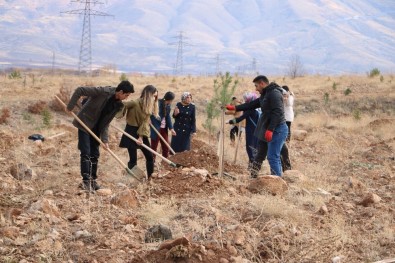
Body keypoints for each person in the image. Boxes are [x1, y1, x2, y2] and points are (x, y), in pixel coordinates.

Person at [66, 80, 134, 191]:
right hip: (85, 124)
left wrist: (105, 140)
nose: (126, 98)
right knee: (86, 152)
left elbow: (106, 123)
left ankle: (93, 180)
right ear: (120, 92)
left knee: (95, 155)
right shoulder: (103, 91)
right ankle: (86, 181)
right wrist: (70, 106)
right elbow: (80, 90)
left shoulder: (117, 105)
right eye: (126, 95)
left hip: (97, 129)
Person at [226, 75, 288, 177]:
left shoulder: (274, 94)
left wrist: (270, 129)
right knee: (260, 154)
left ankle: (277, 182)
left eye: (256, 86)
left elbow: (278, 113)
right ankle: (253, 176)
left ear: (262, 84)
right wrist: (234, 108)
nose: (256, 89)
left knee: (273, 156)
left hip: (277, 129)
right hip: (267, 129)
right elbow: (251, 105)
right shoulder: (265, 94)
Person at [119, 85, 159, 180]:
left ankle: (150, 178)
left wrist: (141, 137)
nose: (154, 98)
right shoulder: (135, 103)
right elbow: (122, 105)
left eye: (156, 96)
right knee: (133, 158)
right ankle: (132, 179)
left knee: (149, 156)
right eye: (153, 96)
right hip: (131, 131)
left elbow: (144, 123)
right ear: (148, 95)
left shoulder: (148, 106)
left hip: (141, 132)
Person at [227, 92, 259, 167]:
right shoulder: (257, 110)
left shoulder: (250, 110)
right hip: (257, 131)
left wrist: (230, 121)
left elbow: (240, 119)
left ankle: (253, 167)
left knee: (250, 148)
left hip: (251, 131)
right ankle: (254, 165)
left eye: (246, 100)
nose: (245, 101)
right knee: (255, 148)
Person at [150, 91, 176, 161]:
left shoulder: (168, 106)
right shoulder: (157, 103)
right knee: (154, 147)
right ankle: (152, 162)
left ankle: (165, 162)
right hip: (156, 128)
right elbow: (150, 113)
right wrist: (149, 120)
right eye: (171, 100)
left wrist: (171, 128)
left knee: (166, 146)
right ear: (170, 100)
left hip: (163, 129)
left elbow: (168, 117)